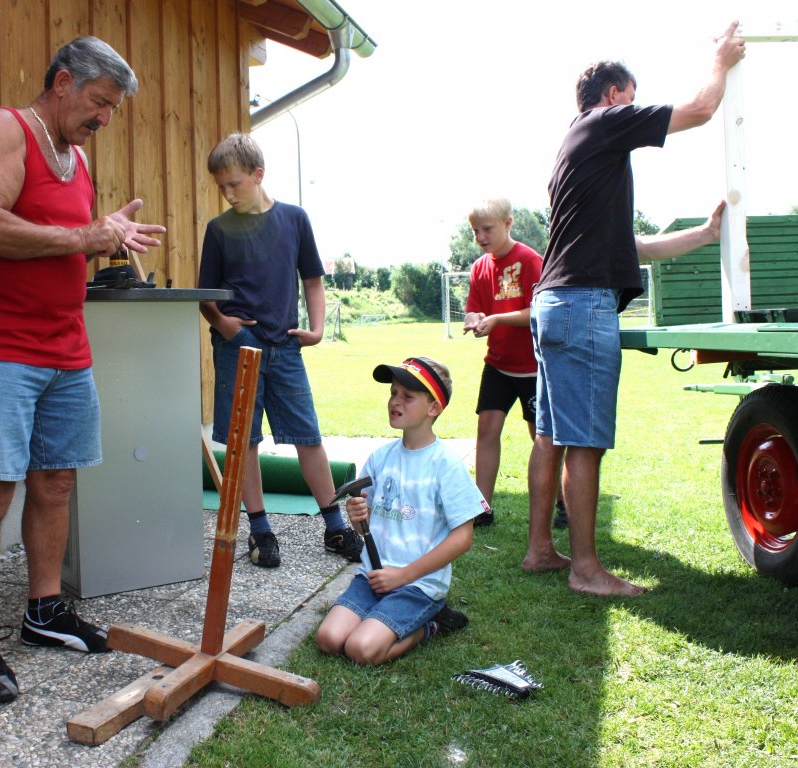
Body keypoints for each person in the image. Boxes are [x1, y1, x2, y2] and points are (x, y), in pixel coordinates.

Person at [0, 36, 165, 703]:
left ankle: (44, 612)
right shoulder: (2, 130)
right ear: (64, 82)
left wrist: (107, 237)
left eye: (112, 109)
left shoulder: (77, 157)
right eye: (99, 102)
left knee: (57, 484)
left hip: (65, 345)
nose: (104, 118)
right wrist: (82, 237)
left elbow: (67, 238)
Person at [524, 22, 745, 596]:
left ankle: (541, 551)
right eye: (632, 93)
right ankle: (587, 570)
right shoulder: (603, 123)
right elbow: (698, 110)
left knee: (549, 434)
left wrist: (703, 233)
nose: (635, 103)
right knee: (586, 442)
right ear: (616, 93)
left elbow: (635, 247)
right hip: (580, 307)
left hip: (552, 304)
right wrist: (720, 61)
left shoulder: (577, 154)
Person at [198, 133, 363, 569]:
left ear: (258, 174)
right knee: (245, 442)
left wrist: (318, 327)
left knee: (308, 437)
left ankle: (334, 526)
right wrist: (224, 325)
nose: (228, 193)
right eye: (221, 187)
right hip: (238, 351)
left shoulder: (294, 219)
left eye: (235, 183)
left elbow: (312, 278)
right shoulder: (217, 231)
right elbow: (205, 298)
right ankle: (261, 533)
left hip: (286, 348)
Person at [315, 356, 488, 665]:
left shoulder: (446, 465)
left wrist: (403, 576)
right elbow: (363, 526)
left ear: (433, 408)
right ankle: (385, 617)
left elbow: (463, 539)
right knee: (328, 640)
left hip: (417, 584)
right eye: (393, 393)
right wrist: (358, 518)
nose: (395, 401)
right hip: (373, 577)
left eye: (408, 397)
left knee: (361, 650)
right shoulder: (380, 458)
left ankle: (431, 624)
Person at [461, 198, 568, 528]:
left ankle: (563, 503)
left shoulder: (529, 260)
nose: (481, 236)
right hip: (497, 365)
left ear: (508, 223)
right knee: (486, 429)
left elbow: (538, 311)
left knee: (541, 437)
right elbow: (474, 309)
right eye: (475, 230)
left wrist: (496, 318)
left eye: (487, 229)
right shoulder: (480, 268)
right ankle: (482, 507)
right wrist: (475, 319)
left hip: (533, 368)